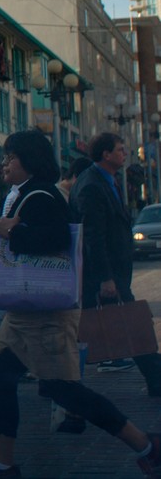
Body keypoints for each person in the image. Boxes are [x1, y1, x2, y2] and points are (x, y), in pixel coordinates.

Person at [0, 129, 161, 479]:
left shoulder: (40, 195)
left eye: (11, 157)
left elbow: (56, 239)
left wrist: (12, 233)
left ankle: (145, 445)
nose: (5, 163)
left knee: (62, 390)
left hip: (46, 314)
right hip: (26, 312)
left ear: (29, 161)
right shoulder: (29, 193)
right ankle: (2, 464)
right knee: (2, 378)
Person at [75, 133, 161, 386]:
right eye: (121, 149)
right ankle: (156, 378)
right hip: (104, 273)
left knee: (128, 324)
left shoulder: (107, 180)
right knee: (133, 324)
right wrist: (106, 278)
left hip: (113, 271)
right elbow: (94, 236)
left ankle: (155, 378)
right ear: (106, 154)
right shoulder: (91, 185)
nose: (125, 153)